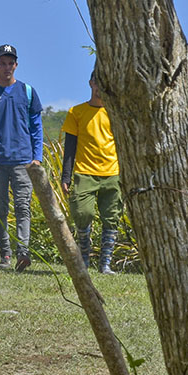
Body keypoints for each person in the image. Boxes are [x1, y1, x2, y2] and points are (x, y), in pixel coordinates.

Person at [0, 44, 44, 272]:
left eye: (10, 63)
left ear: (16, 65)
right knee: (0, 209)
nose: (7, 67)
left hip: (23, 161)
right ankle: (5, 255)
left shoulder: (27, 92)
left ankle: (23, 253)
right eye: (2, 63)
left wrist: (37, 157)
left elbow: (36, 127)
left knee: (23, 208)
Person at [60, 73, 122, 275]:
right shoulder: (76, 112)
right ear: (90, 83)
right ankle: (84, 258)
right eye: (97, 83)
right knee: (83, 213)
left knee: (111, 217)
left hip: (112, 172)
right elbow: (70, 147)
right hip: (85, 172)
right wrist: (66, 176)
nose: (99, 88)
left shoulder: (117, 113)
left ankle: (105, 264)